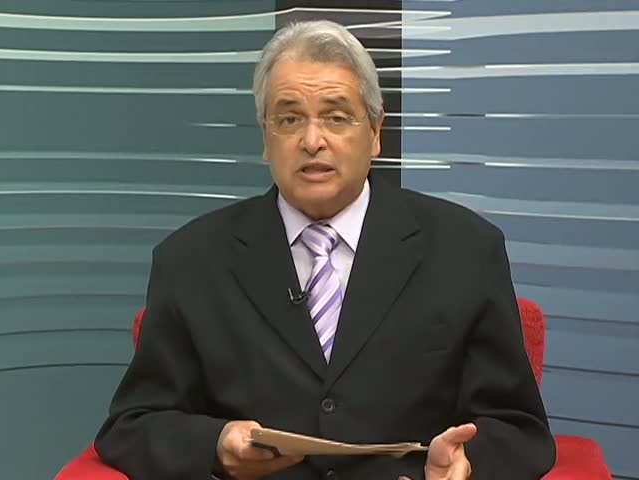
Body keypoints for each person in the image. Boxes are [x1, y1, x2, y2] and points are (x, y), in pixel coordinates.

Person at [95, 20, 556, 480]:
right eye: (289, 119)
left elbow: (519, 430)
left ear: (375, 132)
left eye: (336, 117)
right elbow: (133, 425)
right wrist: (216, 446)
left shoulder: (465, 251)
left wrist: (465, 465)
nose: (312, 141)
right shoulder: (191, 260)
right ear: (265, 137)